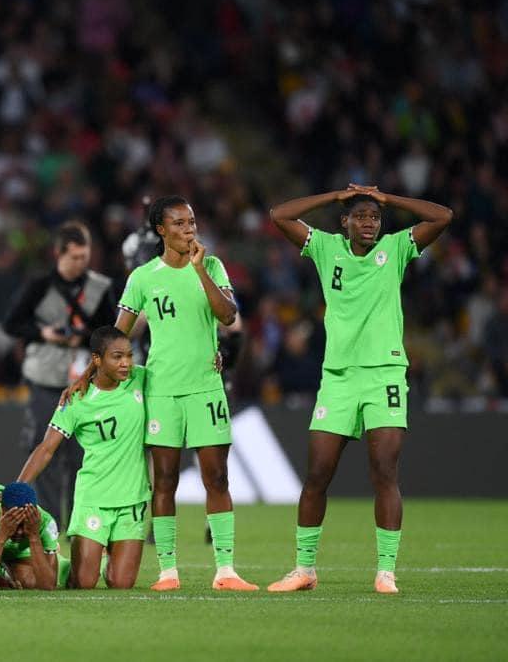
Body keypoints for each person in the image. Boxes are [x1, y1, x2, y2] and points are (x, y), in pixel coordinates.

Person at [266, 184, 452, 594]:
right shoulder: (325, 247)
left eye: (375, 217)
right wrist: (333, 196)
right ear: (345, 222)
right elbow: (280, 214)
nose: (369, 223)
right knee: (316, 474)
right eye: (361, 216)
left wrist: (390, 200)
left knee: (384, 470)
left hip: (384, 373)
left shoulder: (398, 248)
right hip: (338, 377)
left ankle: (386, 571)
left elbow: (442, 216)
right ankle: (304, 569)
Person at [70, 196, 257, 592]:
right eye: (180, 223)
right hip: (162, 390)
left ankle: (225, 570)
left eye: (192, 222)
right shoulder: (143, 278)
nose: (189, 229)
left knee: (217, 477)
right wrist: (87, 372)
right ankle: (168, 571)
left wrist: (199, 270)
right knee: (166, 481)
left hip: (205, 387)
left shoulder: (213, 265)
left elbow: (228, 316)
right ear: (161, 230)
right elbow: (117, 337)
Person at [3, 221, 116, 529]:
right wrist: (44, 333)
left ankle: (81, 524)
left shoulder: (99, 287)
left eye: (85, 256)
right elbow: (11, 324)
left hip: (84, 382)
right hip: (45, 380)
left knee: (83, 456)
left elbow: (111, 333)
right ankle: (52, 523)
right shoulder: (39, 286)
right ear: (59, 253)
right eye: (75, 257)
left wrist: (84, 337)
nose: (81, 263)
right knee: (47, 452)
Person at [20, 326, 149, 589]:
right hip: (94, 498)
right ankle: (69, 564)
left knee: (120, 583)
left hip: (133, 499)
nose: (126, 363)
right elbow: (46, 449)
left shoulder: (140, 379)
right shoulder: (77, 400)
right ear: (97, 360)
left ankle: (103, 559)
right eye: (117, 357)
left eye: (129, 356)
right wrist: (17, 488)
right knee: (82, 583)